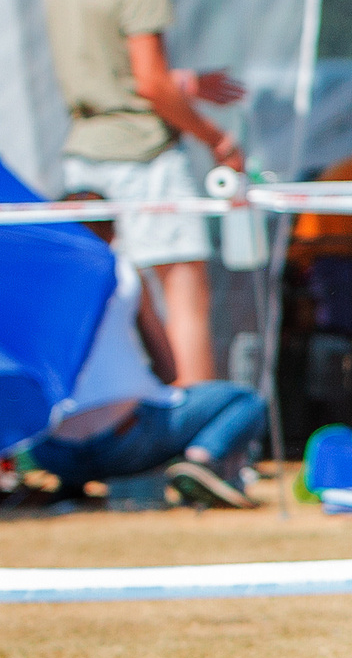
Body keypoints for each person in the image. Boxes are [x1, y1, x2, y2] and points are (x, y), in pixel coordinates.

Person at [43, 0, 245, 385]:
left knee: (102, 301)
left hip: (84, 158)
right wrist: (214, 138)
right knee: (185, 299)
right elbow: (150, 84)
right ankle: (194, 448)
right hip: (144, 157)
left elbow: (109, 71)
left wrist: (185, 83)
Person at [12, 196, 266, 508]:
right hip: (126, 441)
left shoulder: (26, 280)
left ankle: (69, 485)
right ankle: (201, 460)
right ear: (112, 230)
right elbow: (168, 369)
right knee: (245, 400)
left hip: (49, 450)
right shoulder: (124, 272)